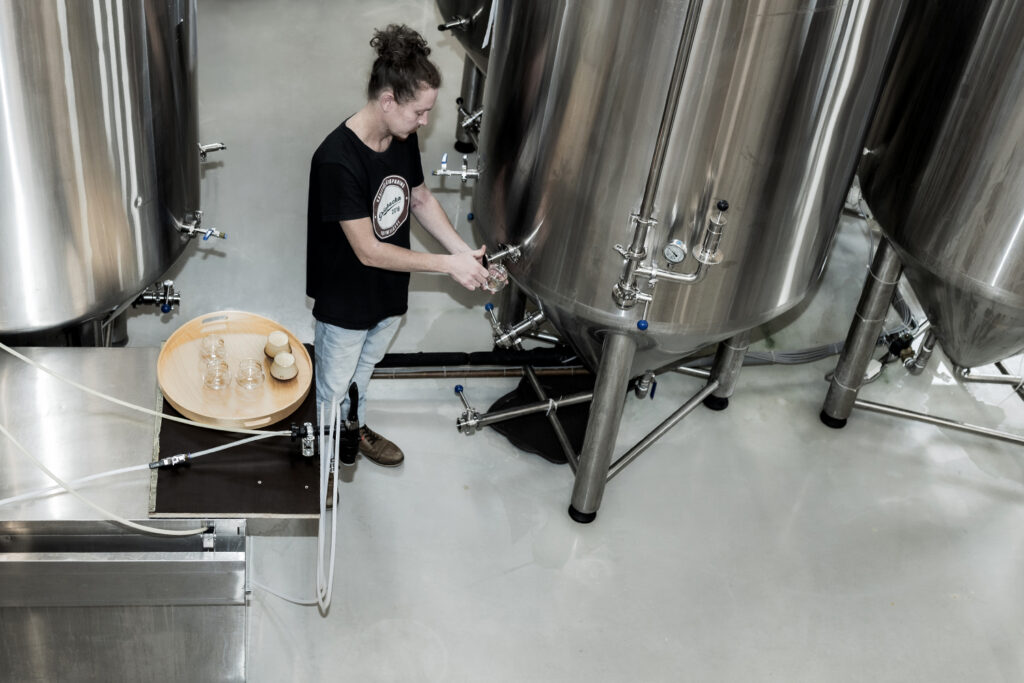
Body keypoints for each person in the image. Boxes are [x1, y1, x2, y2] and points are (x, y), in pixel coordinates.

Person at [306, 24, 490, 467]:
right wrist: (447, 266)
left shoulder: (399, 136)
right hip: (346, 299)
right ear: (388, 100)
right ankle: (327, 455)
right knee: (334, 384)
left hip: (388, 291)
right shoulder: (336, 160)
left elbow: (420, 197)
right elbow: (368, 251)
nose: (426, 122)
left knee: (363, 372)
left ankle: (356, 425)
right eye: (419, 112)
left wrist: (461, 252)